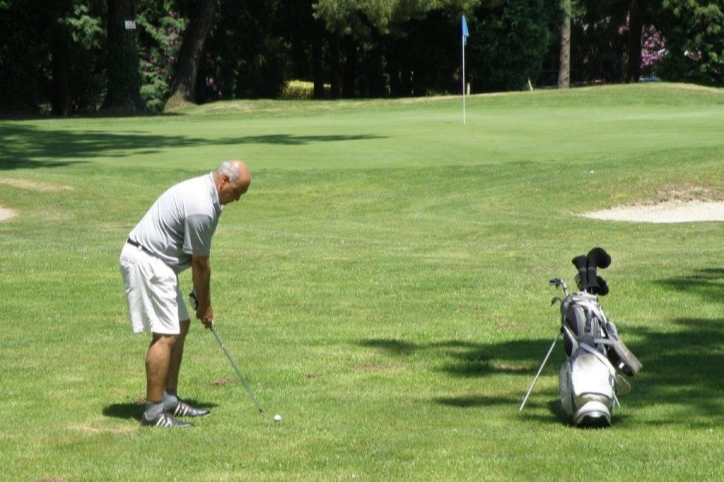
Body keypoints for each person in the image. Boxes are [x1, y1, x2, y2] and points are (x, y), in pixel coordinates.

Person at [119, 160, 251, 428]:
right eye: (237, 192)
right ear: (224, 180)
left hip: (158, 261)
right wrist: (205, 305)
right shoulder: (202, 206)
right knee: (166, 334)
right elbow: (200, 264)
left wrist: (201, 302)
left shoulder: (209, 195)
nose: (237, 199)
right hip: (148, 259)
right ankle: (154, 413)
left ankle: (168, 399)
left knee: (180, 323)